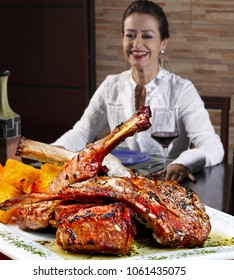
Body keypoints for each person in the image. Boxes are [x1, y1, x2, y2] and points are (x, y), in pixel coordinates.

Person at [53, 0, 224, 183]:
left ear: (163, 42)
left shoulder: (182, 89)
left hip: (165, 184)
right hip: (117, 184)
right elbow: (81, 133)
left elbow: (212, 146)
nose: (137, 43)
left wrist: (182, 163)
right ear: (122, 39)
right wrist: (47, 153)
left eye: (147, 36)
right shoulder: (111, 85)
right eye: (130, 35)